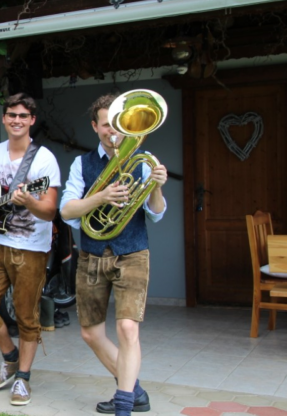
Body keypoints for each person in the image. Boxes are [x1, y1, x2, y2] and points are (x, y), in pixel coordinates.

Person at [60, 93, 167, 416]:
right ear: (95, 127)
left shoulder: (143, 160)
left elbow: (156, 213)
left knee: (128, 329)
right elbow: (67, 211)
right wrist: (101, 196)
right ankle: (134, 391)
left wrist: (157, 186)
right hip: (92, 255)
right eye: (106, 125)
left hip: (132, 253)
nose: (113, 132)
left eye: (118, 125)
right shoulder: (82, 164)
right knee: (90, 333)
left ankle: (123, 405)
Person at [0, 93, 61, 407]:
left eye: (23, 116)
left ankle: (23, 378)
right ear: (4, 119)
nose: (16, 120)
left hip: (31, 248)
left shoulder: (43, 160)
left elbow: (50, 211)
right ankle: (10, 356)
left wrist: (29, 200)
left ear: (32, 120)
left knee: (27, 316)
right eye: (11, 115)